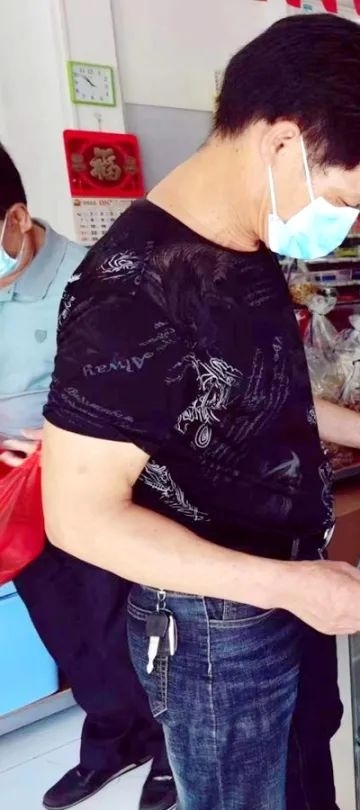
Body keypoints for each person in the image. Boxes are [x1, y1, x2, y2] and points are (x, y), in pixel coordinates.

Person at [39, 15, 360, 810]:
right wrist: (284, 586)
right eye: (346, 199)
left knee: (304, 780)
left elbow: (244, 387)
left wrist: (355, 426)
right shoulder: (128, 291)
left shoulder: (247, 242)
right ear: (283, 142)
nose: (347, 224)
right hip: (214, 631)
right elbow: (78, 518)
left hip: (288, 586)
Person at [0, 145, 176, 810]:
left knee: (126, 624)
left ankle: (170, 744)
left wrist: (61, 434)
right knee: (67, 631)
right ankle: (112, 737)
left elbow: (145, 390)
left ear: (17, 219)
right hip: (17, 501)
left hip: (97, 486)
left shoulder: (95, 281)